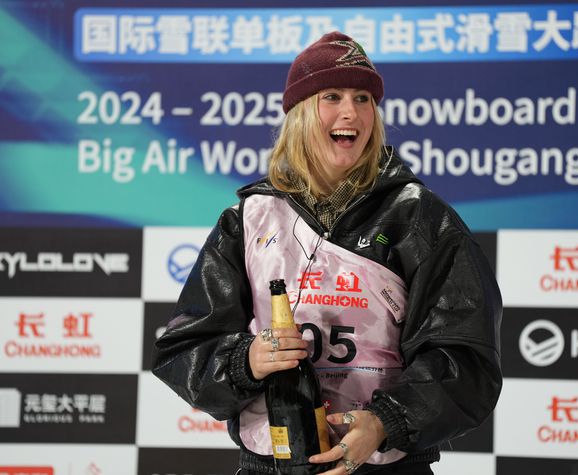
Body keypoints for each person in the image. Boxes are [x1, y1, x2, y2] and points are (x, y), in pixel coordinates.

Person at [152, 31, 502, 475]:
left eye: (362, 98)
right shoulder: (249, 219)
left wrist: (385, 421)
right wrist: (246, 361)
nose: (350, 112)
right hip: (271, 463)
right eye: (332, 96)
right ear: (300, 114)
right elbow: (184, 349)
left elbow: (466, 359)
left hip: (386, 467)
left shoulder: (421, 219)